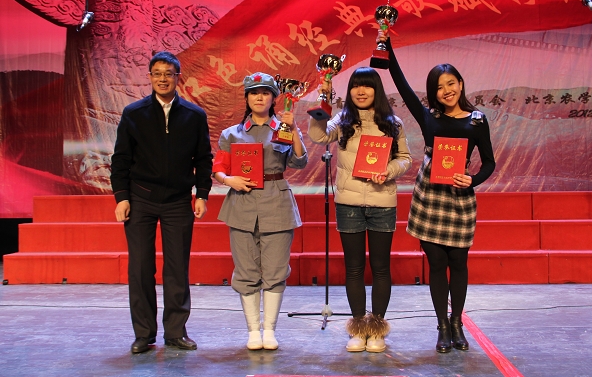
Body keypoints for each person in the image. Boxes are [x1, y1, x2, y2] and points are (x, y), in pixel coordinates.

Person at [377, 30, 496, 353]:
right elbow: (401, 84)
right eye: (439, 87)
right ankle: (442, 326)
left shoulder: (477, 121)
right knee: (436, 262)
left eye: (451, 83)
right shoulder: (428, 117)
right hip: (430, 197)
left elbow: (489, 162)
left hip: (459, 198)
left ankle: (457, 323)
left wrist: (473, 180)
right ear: (433, 93)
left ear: (461, 84)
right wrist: (387, 45)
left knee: (458, 262)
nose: (447, 91)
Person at [110, 51, 213, 354]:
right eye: (157, 73)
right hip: (140, 198)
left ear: (177, 77)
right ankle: (144, 334)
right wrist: (121, 197)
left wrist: (202, 194)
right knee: (140, 268)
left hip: (178, 200)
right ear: (150, 77)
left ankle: (176, 332)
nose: (163, 79)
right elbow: (120, 159)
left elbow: (203, 159)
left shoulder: (194, 115)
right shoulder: (134, 113)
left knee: (177, 268)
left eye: (168, 73)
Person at [308, 67, 412, 353]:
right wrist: (322, 103)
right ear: (350, 91)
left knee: (380, 267)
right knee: (353, 268)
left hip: (382, 202)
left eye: (367, 86)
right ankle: (357, 328)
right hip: (349, 204)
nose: (361, 91)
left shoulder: (393, 123)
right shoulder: (343, 121)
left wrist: (389, 171)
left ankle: (376, 329)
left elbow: (405, 158)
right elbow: (318, 136)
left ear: (377, 90)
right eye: (355, 86)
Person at [212, 72, 308, 350]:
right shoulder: (232, 133)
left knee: (276, 270)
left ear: (273, 98)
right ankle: (253, 330)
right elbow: (218, 168)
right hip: (241, 205)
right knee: (246, 270)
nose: (259, 97)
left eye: (265, 92)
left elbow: (299, 162)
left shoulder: (283, 129)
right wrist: (228, 180)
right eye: (254, 93)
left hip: (276, 203)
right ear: (246, 98)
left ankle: (269, 330)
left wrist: (295, 130)